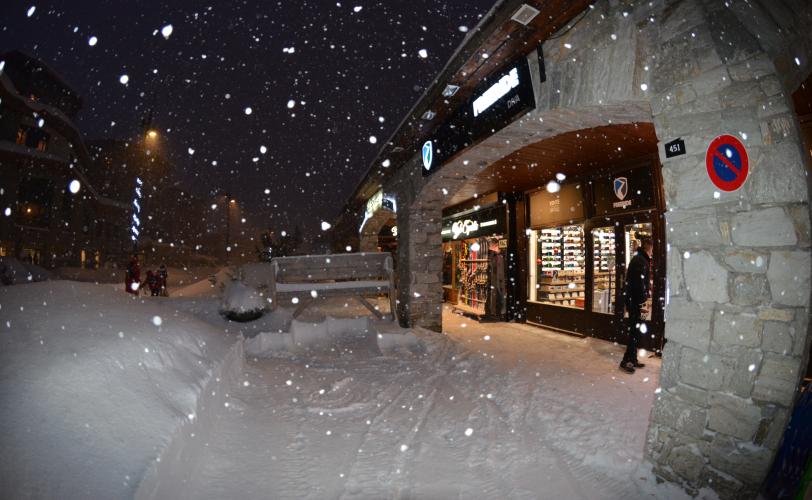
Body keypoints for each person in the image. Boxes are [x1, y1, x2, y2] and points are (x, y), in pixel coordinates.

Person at [620, 237, 652, 374]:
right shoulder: (640, 260)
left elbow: (638, 284)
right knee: (634, 332)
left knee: (635, 332)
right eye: (651, 248)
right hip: (635, 302)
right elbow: (638, 285)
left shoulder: (640, 259)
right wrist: (642, 302)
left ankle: (631, 359)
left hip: (633, 301)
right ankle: (626, 361)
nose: (652, 251)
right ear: (647, 247)